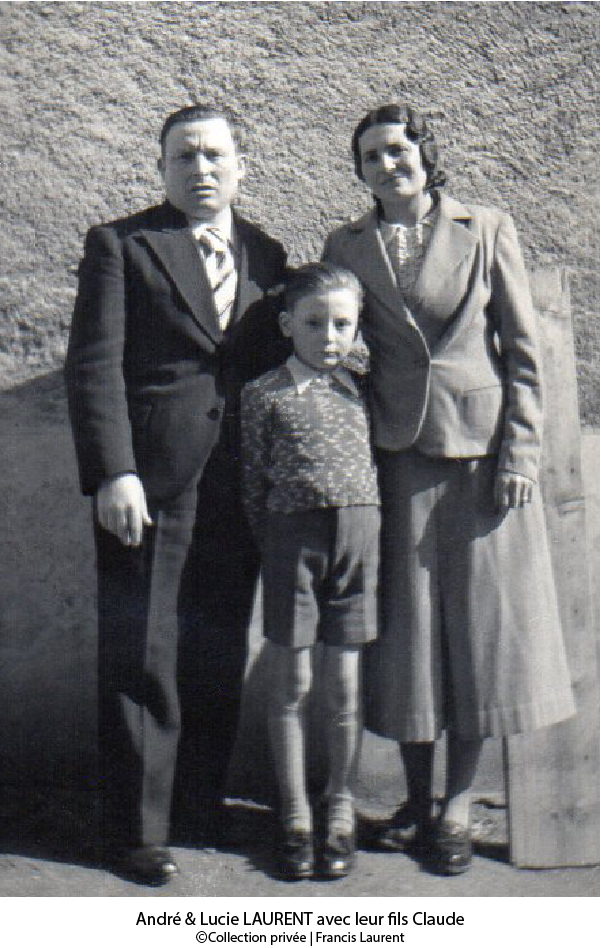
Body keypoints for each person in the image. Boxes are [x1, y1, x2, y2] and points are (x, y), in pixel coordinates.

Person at [323, 104, 575, 875]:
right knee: (408, 640)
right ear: (359, 170)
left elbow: (523, 353)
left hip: (479, 454)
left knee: (479, 638)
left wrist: (520, 456)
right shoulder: (347, 244)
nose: (386, 165)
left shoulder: (485, 226)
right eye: (370, 156)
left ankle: (459, 808)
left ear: (426, 156)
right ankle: (415, 801)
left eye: (398, 150)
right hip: (393, 453)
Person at [65, 105, 288, 885]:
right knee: (143, 652)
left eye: (214, 155)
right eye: (183, 156)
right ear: (162, 168)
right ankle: (134, 828)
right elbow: (93, 368)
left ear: (240, 165)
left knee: (217, 647)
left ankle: (198, 805)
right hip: (149, 483)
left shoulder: (266, 253)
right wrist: (112, 472)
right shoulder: (122, 246)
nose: (200, 169)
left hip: (237, 488)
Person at [240, 263, 380, 880]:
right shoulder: (263, 393)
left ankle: (340, 808)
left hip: (359, 543)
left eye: (343, 324)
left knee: (345, 687)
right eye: (315, 322)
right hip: (291, 542)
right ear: (286, 324)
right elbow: (252, 480)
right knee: (292, 682)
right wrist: (274, 543)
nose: (329, 335)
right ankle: (295, 814)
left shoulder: (364, 386)